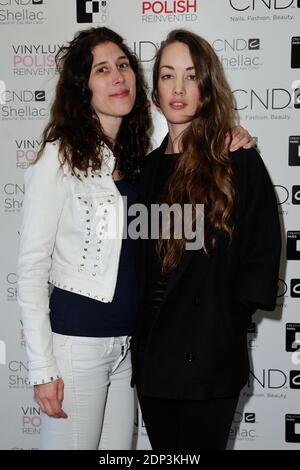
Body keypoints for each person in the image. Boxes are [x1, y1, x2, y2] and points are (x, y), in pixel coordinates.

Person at [17, 26, 255, 450]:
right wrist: (42, 368)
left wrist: (231, 134)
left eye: (124, 65)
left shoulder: (140, 150)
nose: (118, 77)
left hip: (127, 351)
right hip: (77, 346)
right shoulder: (58, 156)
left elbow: (186, 115)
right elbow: (32, 268)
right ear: (82, 87)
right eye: (102, 70)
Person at [132, 29, 281, 451]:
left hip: (208, 358)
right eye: (167, 75)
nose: (178, 88)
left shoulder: (236, 160)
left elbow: (263, 248)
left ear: (207, 86)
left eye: (191, 76)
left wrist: (227, 318)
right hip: (155, 361)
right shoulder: (144, 172)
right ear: (155, 89)